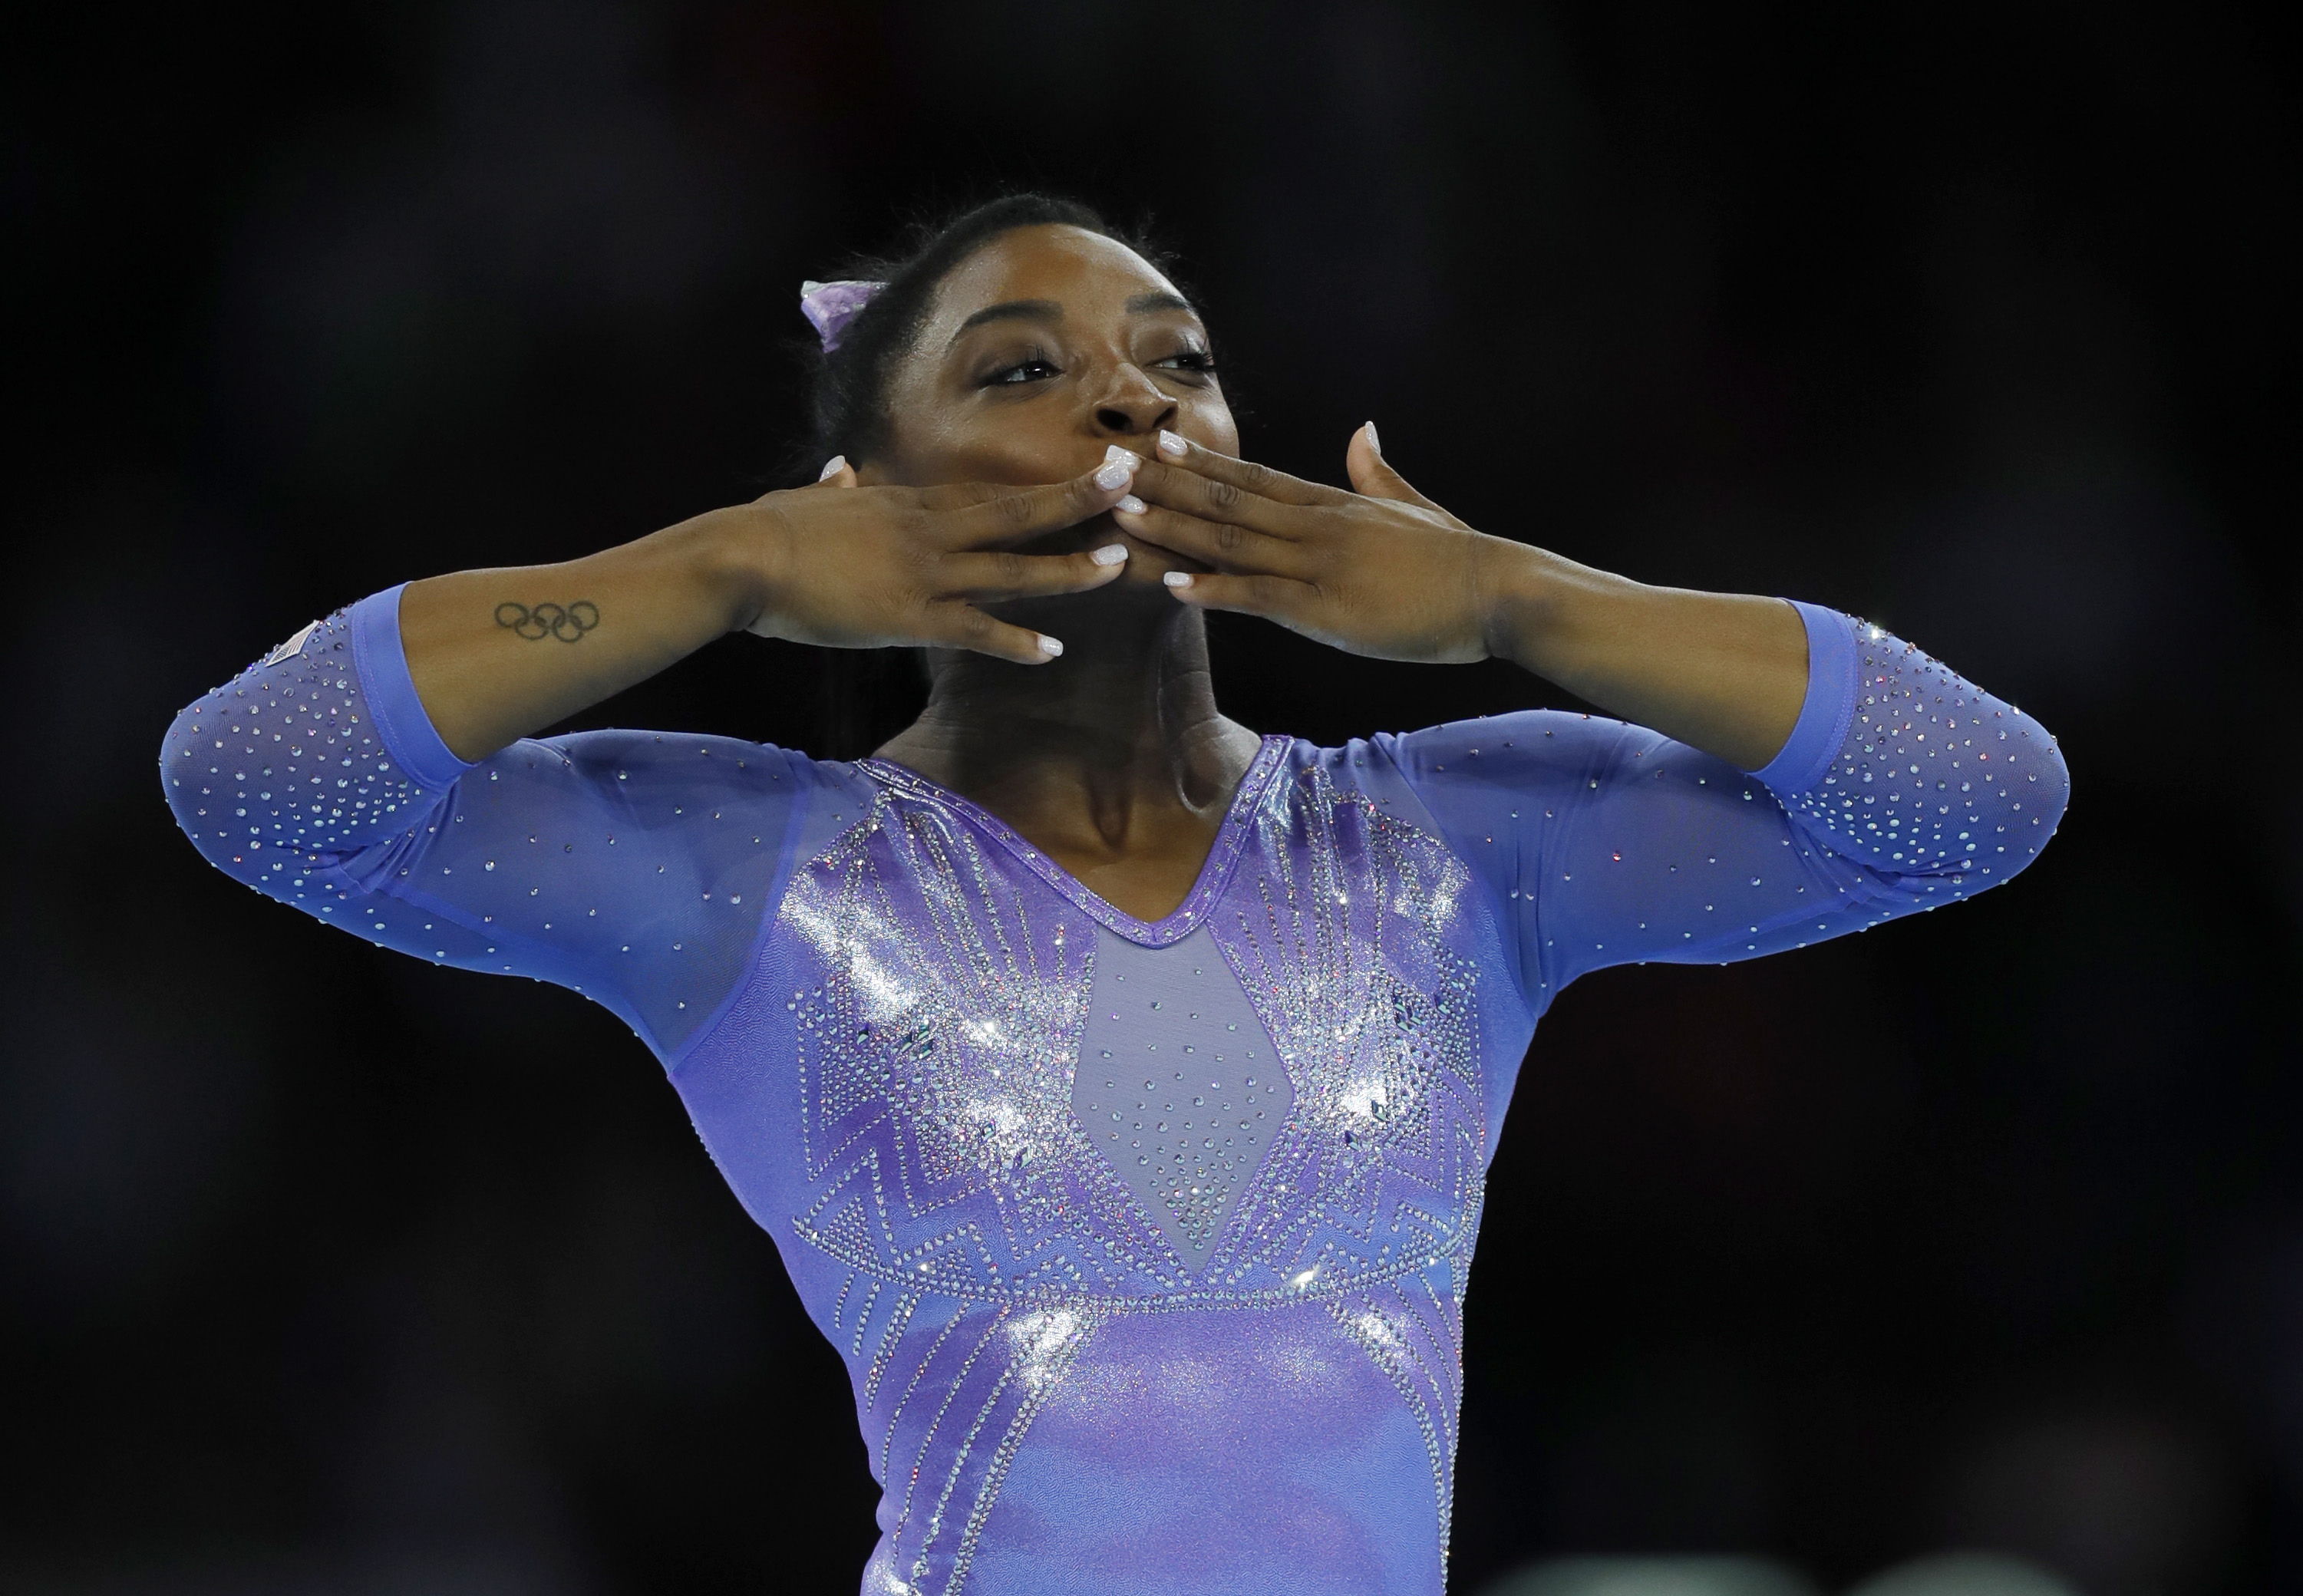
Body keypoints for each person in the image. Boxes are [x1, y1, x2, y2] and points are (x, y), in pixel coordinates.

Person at [162, 193, 2068, 1596]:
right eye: (1021, 370)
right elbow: (257, 782)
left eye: (1180, 364)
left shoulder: (1452, 844)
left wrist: (1512, 600)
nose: (1129, 409)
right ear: (863, 488)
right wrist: (721, 567)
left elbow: (1976, 800)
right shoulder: (745, 871)